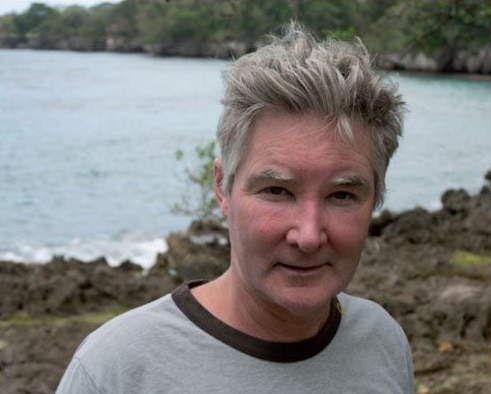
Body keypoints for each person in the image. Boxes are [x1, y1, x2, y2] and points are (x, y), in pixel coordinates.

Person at [57, 22, 413, 393]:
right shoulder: (117, 369)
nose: (308, 236)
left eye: (341, 195)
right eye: (276, 191)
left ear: (375, 198)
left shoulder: (382, 343)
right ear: (222, 187)